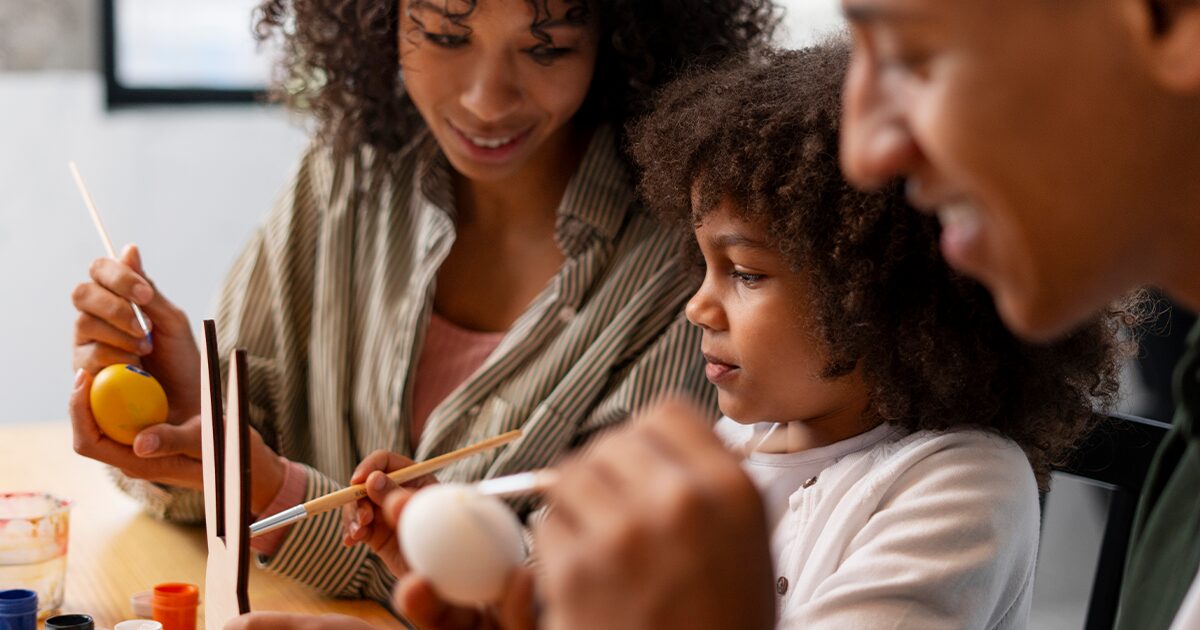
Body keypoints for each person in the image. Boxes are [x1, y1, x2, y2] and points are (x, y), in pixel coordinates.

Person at [67, 0, 778, 605]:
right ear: (378, 20)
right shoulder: (346, 176)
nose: (486, 100)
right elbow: (211, 496)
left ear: (620, 37)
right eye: (444, 36)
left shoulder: (684, 262)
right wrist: (191, 421)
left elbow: (570, 596)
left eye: (547, 48)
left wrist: (275, 490)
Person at [520, 0, 1200, 629]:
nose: (872, 150)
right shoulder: (727, 449)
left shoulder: (955, 483)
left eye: (917, 57)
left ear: (878, 300)